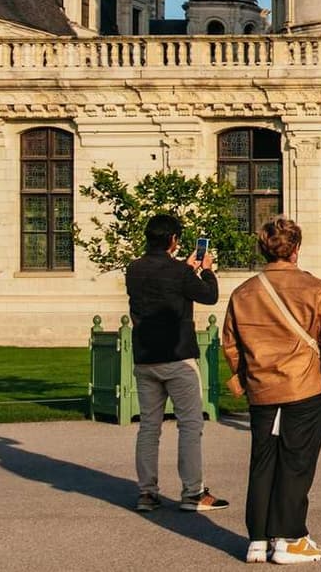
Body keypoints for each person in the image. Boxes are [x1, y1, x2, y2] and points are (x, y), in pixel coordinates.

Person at [221, 219, 321, 565]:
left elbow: (230, 343)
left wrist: (243, 375)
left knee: (262, 461)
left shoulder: (243, 292)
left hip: (262, 387)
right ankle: (290, 537)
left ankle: (258, 538)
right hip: (303, 385)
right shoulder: (316, 289)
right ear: (295, 250)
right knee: (296, 461)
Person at [125, 213, 226, 514]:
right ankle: (193, 491)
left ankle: (147, 492)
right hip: (177, 356)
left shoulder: (134, 269)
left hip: (145, 357)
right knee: (190, 425)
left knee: (149, 427)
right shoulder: (179, 273)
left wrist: (185, 269)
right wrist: (205, 271)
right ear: (173, 240)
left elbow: (161, 283)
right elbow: (209, 296)